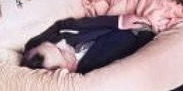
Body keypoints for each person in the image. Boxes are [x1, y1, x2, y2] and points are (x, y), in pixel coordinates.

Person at [22, 15, 155, 73]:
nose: (62, 42)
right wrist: (145, 29)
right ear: (64, 72)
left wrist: (119, 21)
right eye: (60, 50)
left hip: (124, 18)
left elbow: (62, 26)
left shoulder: (38, 46)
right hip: (145, 32)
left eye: (54, 43)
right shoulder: (93, 71)